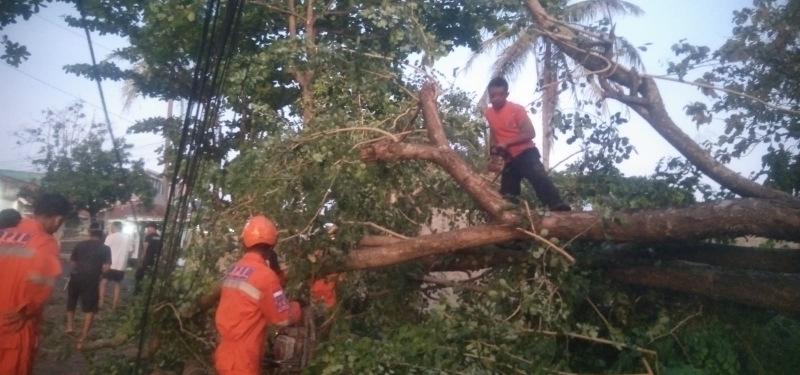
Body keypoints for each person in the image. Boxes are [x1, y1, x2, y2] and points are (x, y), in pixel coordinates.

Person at [214, 215, 305, 375]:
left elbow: (258, 296)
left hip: (225, 354)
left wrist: (276, 274)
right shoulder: (266, 277)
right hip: (244, 361)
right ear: (272, 246)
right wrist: (297, 306)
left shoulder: (234, 269)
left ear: (245, 243)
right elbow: (282, 317)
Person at [0, 193, 71, 375]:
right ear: (58, 219)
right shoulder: (44, 243)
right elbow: (41, 284)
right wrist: (27, 309)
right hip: (13, 326)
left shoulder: (4, 233)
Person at [484, 77, 571, 212]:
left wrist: (506, 142)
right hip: (509, 160)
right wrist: (493, 151)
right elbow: (494, 132)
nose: (495, 99)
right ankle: (511, 220)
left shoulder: (516, 109)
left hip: (526, 153)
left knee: (539, 178)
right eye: (492, 95)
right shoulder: (488, 113)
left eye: (499, 95)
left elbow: (530, 133)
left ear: (506, 94)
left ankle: (557, 206)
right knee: (508, 195)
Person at [66, 228, 111, 349]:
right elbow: (106, 267)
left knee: (72, 300)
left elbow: (72, 262)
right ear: (102, 236)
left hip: (76, 276)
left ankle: (69, 327)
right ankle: (83, 335)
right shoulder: (105, 248)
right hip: (91, 278)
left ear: (89, 234)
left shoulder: (79, 244)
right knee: (90, 308)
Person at [99, 221, 134, 310]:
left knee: (104, 282)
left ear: (115, 227)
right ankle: (114, 305)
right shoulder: (127, 237)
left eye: (111, 227)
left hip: (109, 263)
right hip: (121, 264)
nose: (111, 229)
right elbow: (130, 252)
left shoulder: (110, 237)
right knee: (117, 284)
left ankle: (101, 302)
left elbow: (105, 250)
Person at [135, 223, 162, 296]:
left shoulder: (148, 236)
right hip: (155, 259)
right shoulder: (159, 237)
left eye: (148, 228)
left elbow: (145, 247)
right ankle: (149, 291)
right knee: (151, 275)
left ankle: (137, 291)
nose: (147, 229)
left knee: (139, 274)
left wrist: (142, 258)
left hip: (148, 258)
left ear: (153, 228)